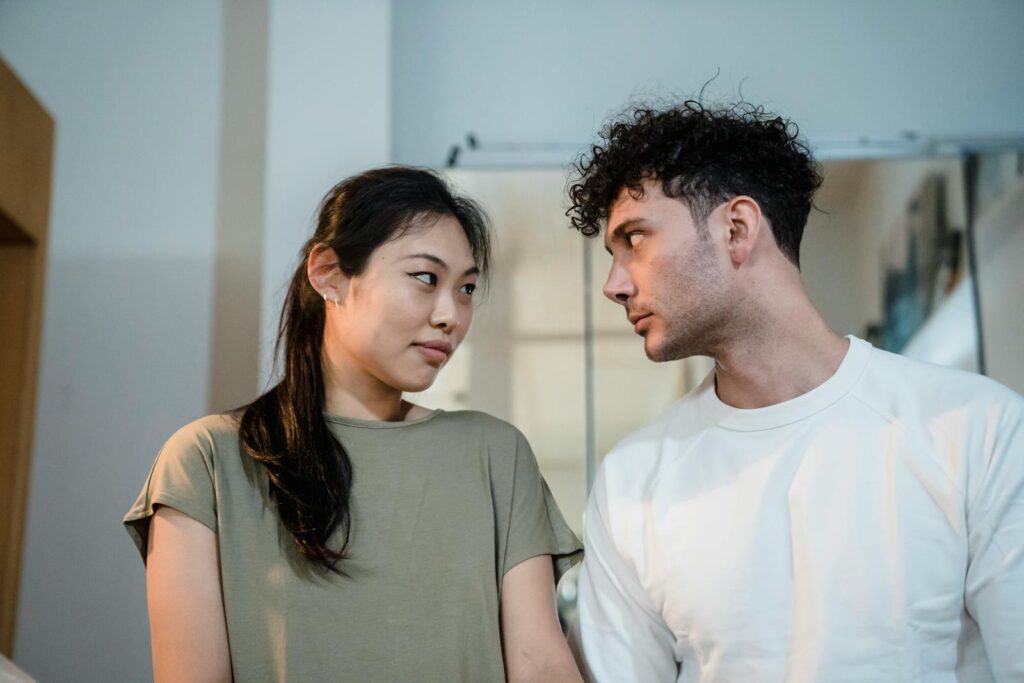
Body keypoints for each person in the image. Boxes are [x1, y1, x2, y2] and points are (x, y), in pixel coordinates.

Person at [565, 102, 1024, 681]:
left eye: (634, 239)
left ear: (736, 229)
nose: (614, 285)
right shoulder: (631, 483)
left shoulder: (978, 428)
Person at [124, 167, 584, 682]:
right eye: (425, 278)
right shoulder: (208, 461)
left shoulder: (496, 454)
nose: (450, 315)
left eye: (467, 288)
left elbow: (541, 664)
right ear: (328, 274)